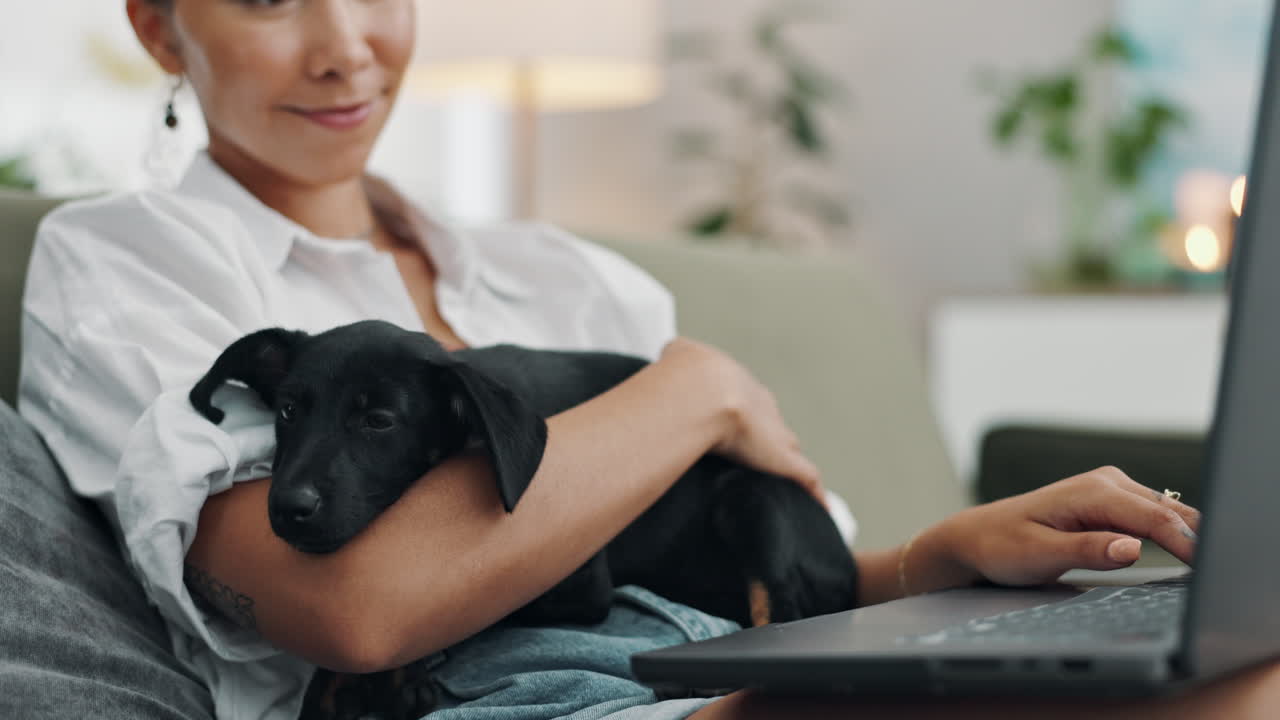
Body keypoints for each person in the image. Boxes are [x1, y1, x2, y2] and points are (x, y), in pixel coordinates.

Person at [19, 1, 1269, 718]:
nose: (346, 45)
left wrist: (937, 563)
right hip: (480, 698)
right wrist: (694, 388)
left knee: (1231, 673)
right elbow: (360, 609)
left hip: (709, 659)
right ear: (157, 22)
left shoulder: (568, 278)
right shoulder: (133, 263)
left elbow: (755, 585)